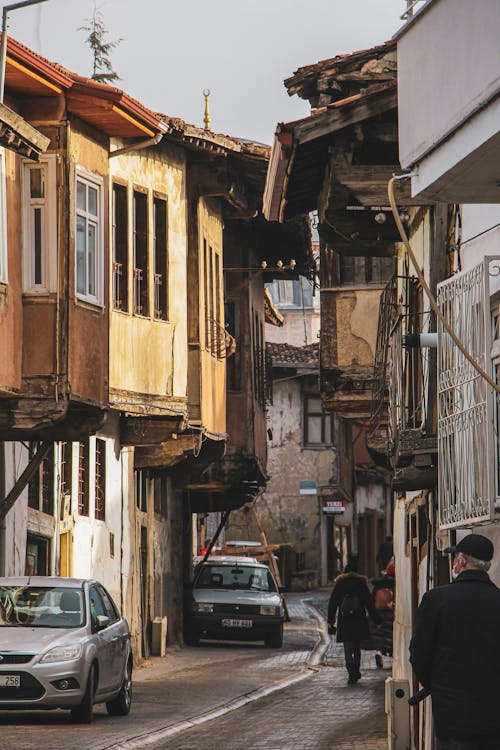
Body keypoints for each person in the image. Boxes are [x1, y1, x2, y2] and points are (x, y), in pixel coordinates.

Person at [410, 533, 500, 750]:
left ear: (461, 561)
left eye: (455, 558)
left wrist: (437, 684)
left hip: (453, 716)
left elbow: (419, 654)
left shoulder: (436, 599)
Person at [328, 560, 381, 684]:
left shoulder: (340, 583)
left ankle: (350, 670)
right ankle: (356, 670)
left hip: (344, 620)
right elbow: (369, 603)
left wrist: (330, 621)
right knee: (357, 646)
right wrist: (376, 620)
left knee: (347, 646)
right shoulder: (361, 583)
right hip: (359, 619)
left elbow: (333, 602)